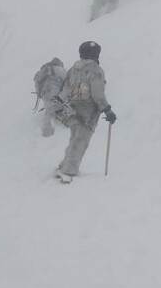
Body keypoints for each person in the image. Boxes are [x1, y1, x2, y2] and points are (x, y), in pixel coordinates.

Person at [55, 41, 116, 184]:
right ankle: (68, 171)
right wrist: (107, 110)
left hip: (72, 107)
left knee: (75, 138)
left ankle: (64, 165)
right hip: (88, 110)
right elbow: (97, 93)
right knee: (81, 140)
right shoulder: (95, 69)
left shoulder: (74, 69)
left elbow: (64, 89)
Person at [33, 57, 67, 137]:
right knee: (59, 107)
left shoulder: (41, 73)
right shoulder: (58, 69)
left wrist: (44, 96)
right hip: (56, 91)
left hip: (46, 94)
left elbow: (38, 90)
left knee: (49, 111)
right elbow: (68, 80)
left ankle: (46, 131)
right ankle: (60, 125)